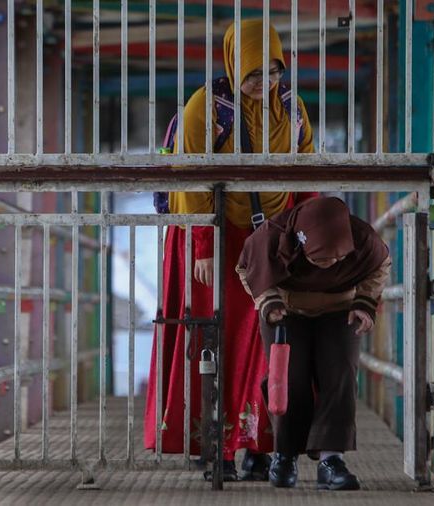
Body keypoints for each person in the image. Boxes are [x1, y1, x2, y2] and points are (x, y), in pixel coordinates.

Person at [144, 19, 317, 482]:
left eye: (275, 71)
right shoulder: (208, 106)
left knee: (266, 343)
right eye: (255, 74)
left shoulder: (292, 107)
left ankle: (259, 446)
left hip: (271, 241)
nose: (266, 83)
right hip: (214, 239)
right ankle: (213, 447)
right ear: (233, 66)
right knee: (215, 340)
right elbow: (194, 177)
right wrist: (202, 243)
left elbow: (305, 176)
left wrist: (306, 239)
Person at [235, 196, 392, 490]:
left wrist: (364, 303)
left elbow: (380, 266)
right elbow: (247, 269)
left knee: (340, 375)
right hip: (286, 308)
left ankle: (331, 461)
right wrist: (267, 300)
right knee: (288, 379)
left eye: (335, 259)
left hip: (340, 310)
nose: (327, 266)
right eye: (319, 259)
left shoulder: (364, 239)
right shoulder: (271, 236)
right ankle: (285, 455)